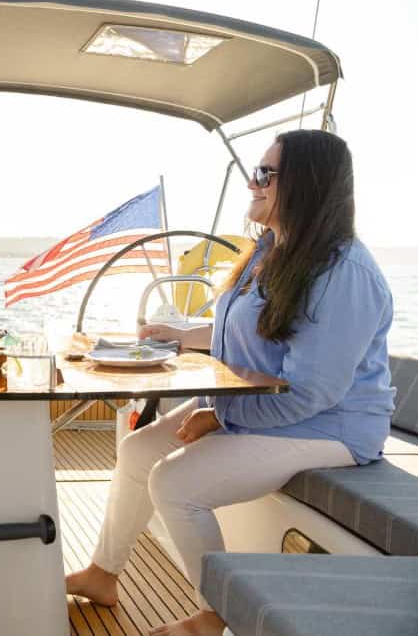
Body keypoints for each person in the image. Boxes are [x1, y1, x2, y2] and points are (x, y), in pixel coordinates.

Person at [65, 130, 395, 636]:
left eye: (266, 173)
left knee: (175, 483)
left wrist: (220, 415)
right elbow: (247, 328)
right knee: (138, 451)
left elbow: (312, 393)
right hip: (260, 404)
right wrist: (175, 336)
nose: (252, 182)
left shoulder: (341, 273)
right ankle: (102, 574)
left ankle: (219, 613)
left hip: (329, 428)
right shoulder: (274, 249)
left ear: (305, 183)